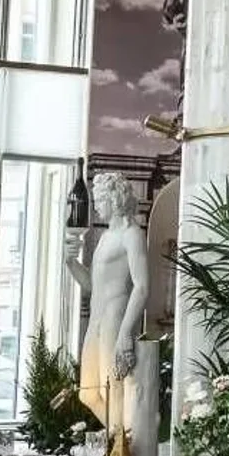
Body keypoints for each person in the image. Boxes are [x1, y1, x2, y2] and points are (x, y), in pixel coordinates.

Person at [67, 171, 149, 430]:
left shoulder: (132, 234)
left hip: (115, 318)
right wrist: (70, 262)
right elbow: (92, 286)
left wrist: (126, 332)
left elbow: (142, 286)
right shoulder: (105, 237)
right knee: (88, 392)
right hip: (97, 319)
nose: (96, 207)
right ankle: (120, 439)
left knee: (113, 388)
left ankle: (121, 445)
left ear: (114, 200)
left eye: (100, 200)